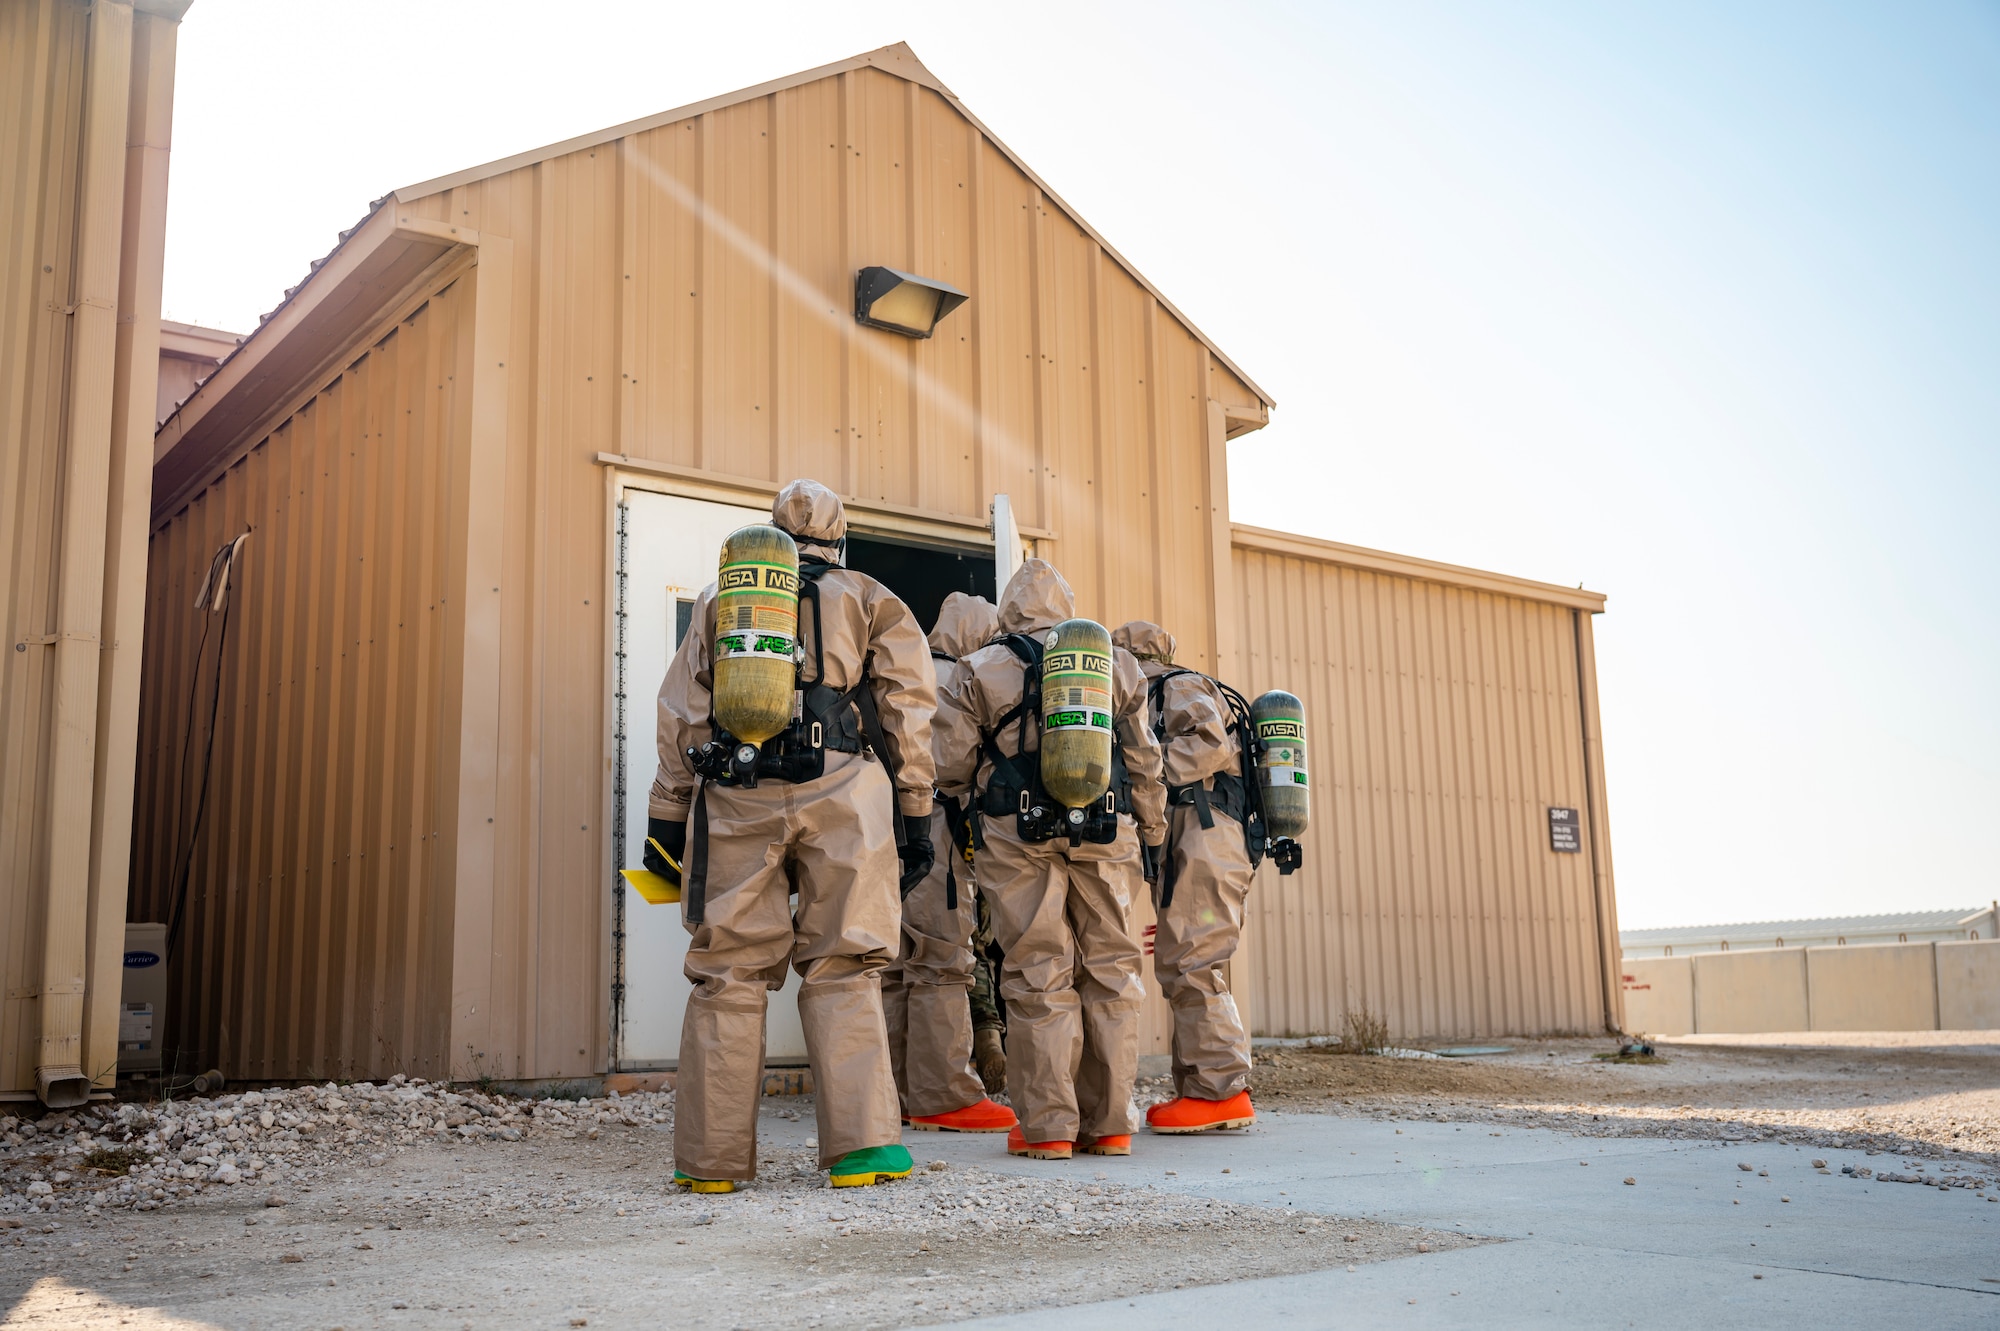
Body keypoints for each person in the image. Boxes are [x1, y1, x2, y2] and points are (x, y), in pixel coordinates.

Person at [645, 479, 936, 1192]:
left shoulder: (722, 599)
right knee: (845, 960)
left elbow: (683, 712)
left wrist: (668, 817)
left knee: (729, 972)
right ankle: (863, 1149)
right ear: (839, 538)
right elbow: (908, 705)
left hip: (737, 792)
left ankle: (709, 1162)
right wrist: (917, 812)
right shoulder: (869, 596)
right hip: (844, 792)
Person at [933, 560, 1166, 1160]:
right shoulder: (1117, 664)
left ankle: (1049, 1127)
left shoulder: (980, 667)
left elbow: (951, 765)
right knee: (1112, 967)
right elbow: (1144, 760)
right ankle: (1110, 1124)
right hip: (1107, 826)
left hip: (1016, 830)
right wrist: (1155, 834)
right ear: (1065, 605)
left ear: (1010, 608)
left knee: (1039, 968)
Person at [1113, 621, 1258, 1134]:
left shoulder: (1177, 685)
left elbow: (1209, 744)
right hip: (1195, 839)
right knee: (1183, 960)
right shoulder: (1157, 691)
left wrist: (1141, 773)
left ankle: (1221, 1092)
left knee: (1194, 959)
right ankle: (1197, 1088)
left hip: (1208, 836)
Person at [882, 592, 1017, 1133]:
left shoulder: (899, 667)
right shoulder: (960, 683)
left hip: (876, 833)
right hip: (932, 828)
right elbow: (956, 769)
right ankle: (944, 1097)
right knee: (940, 960)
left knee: (891, 966)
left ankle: (891, 1094)